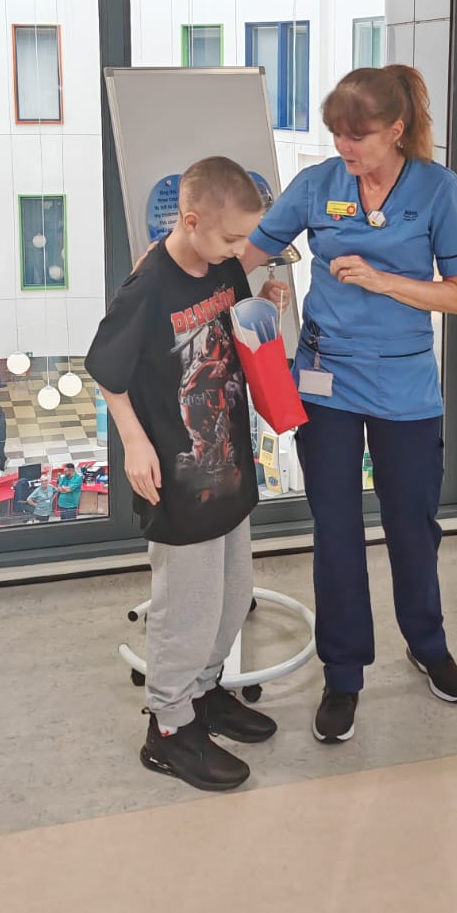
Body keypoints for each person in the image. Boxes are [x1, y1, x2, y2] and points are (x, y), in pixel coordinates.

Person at [244, 64, 457, 745]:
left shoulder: (438, 190)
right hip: (327, 378)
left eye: (359, 135)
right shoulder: (317, 185)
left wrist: (384, 281)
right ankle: (343, 675)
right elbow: (248, 252)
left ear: (396, 130)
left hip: (405, 385)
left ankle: (427, 645)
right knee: (337, 533)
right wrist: (181, 275)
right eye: (338, 134)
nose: (345, 147)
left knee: (412, 528)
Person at [86, 156, 286, 792]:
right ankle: (169, 728)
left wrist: (269, 300)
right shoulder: (147, 289)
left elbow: (232, 326)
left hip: (228, 462)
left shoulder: (221, 263)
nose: (240, 252)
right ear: (191, 220)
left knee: (232, 597)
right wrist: (135, 444)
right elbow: (107, 372)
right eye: (230, 239)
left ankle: (203, 695)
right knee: (187, 608)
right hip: (176, 473)